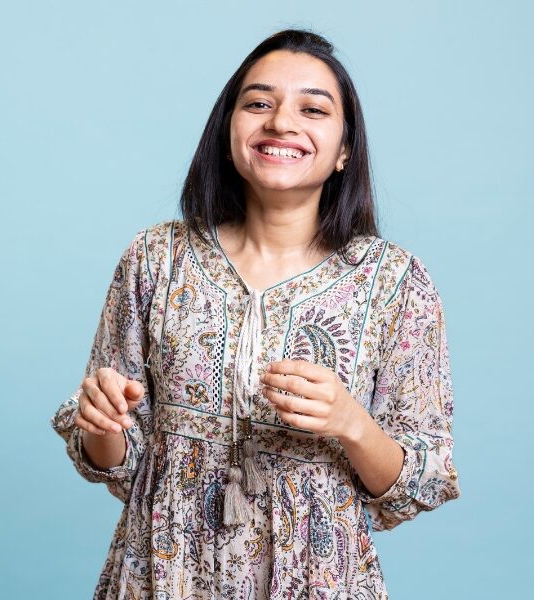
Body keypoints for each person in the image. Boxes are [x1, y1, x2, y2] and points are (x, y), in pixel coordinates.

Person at [50, 28, 461, 599]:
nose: (282, 123)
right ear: (228, 134)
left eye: (312, 109)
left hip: (316, 579)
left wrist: (351, 422)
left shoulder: (394, 283)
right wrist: (103, 426)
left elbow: (420, 477)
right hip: (163, 573)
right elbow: (116, 463)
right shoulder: (155, 260)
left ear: (345, 149)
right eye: (259, 103)